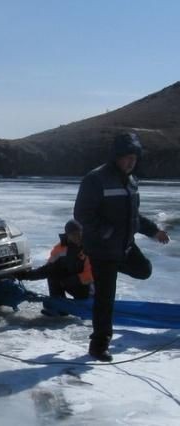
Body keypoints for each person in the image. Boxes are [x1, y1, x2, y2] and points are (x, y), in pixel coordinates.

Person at [74, 132, 170, 362]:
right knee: (105, 299)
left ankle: (104, 274)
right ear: (116, 157)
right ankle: (99, 345)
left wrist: (153, 230)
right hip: (103, 249)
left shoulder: (131, 180)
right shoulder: (96, 179)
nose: (130, 161)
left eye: (134, 157)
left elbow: (133, 215)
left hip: (124, 246)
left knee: (143, 270)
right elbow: (82, 213)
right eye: (126, 157)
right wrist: (106, 232)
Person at [17, 219, 93, 314]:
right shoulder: (60, 249)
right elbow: (47, 269)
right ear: (67, 235)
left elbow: (91, 275)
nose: (77, 237)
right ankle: (59, 307)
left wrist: (69, 281)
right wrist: (26, 275)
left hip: (88, 287)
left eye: (79, 233)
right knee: (52, 274)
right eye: (74, 234)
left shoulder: (90, 247)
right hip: (71, 283)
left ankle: (90, 304)